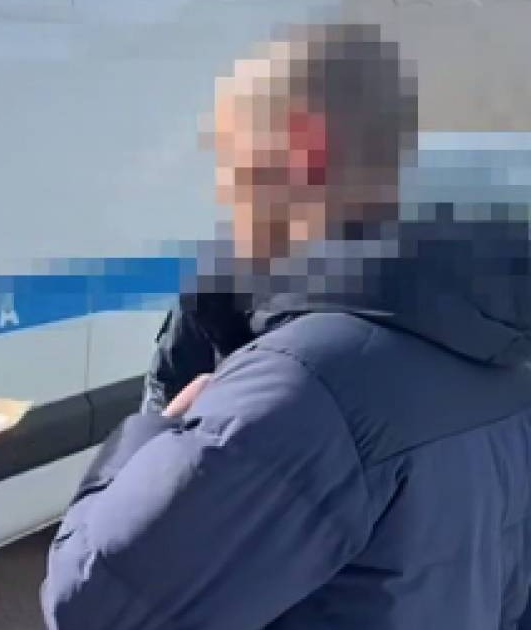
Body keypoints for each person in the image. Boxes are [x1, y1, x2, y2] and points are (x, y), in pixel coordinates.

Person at [42, 22, 531, 629]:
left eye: (227, 159)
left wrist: (151, 437)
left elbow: (89, 605)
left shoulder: (304, 386)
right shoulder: (496, 348)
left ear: (303, 149)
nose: (222, 193)